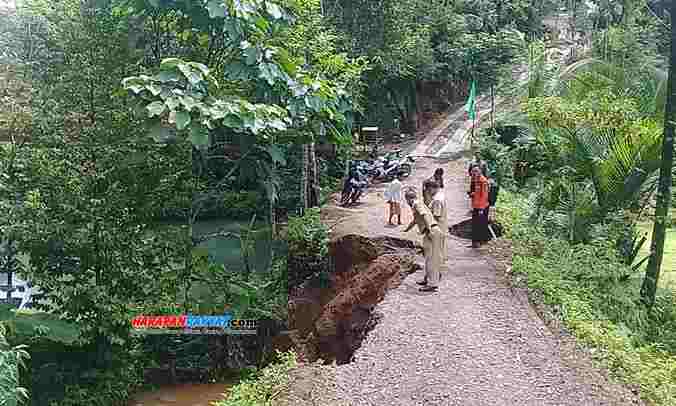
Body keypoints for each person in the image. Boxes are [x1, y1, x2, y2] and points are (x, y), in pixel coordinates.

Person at [404, 188, 443, 292]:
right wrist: (406, 230)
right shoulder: (416, 205)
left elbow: (424, 216)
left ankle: (433, 284)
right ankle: (427, 279)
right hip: (429, 232)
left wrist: (429, 230)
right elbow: (415, 220)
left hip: (432, 231)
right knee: (427, 258)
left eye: (406, 200)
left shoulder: (416, 204)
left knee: (432, 259)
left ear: (408, 199)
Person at [468, 166, 490, 248]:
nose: (473, 174)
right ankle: (475, 242)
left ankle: (479, 242)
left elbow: (484, 196)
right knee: (475, 224)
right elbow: (477, 193)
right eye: (473, 172)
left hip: (482, 207)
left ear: (479, 172)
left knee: (480, 224)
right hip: (477, 206)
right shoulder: (475, 180)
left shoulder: (483, 181)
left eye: (475, 172)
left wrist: (481, 208)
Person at [427, 180, 448, 264]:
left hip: (437, 226)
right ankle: (441, 260)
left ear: (432, 188)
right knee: (440, 245)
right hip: (442, 224)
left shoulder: (436, 200)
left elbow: (436, 215)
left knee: (436, 246)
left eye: (429, 190)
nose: (428, 192)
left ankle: (437, 263)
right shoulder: (440, 195)